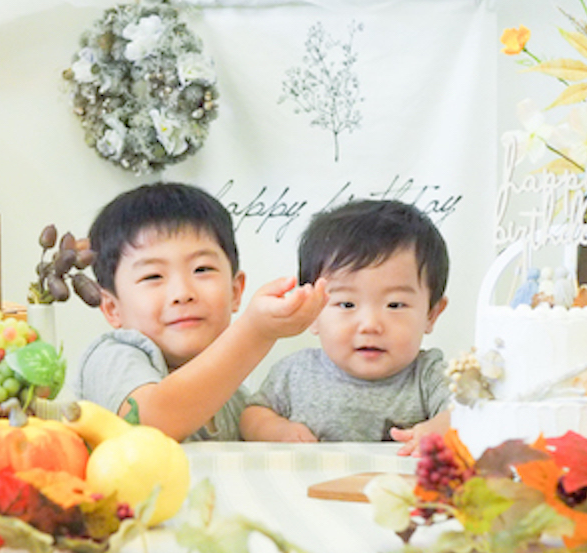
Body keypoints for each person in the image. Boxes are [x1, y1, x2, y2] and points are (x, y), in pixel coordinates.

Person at [73, 182, 327, 442]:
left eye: (202, 269)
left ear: (235, 291)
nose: (182, 293)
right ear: (112, 308)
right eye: (153, 276)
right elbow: (150, 425)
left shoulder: (234, 397)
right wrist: (256, 332)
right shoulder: (111, 357)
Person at [239, 199, 450, 454]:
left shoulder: (429, 376)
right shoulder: (294, 372)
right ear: (312, 312)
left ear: (431, 314)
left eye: (395, 305)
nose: (370, 325)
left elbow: (470, 412)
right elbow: (252, 414)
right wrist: (276, 430)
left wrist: (440, 429)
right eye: (347, 304)